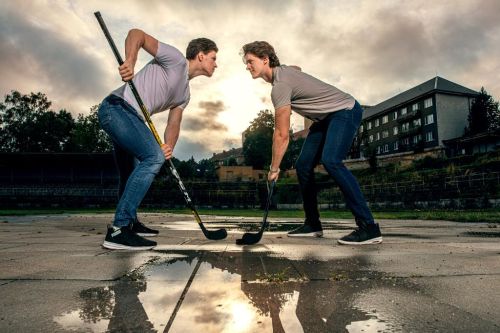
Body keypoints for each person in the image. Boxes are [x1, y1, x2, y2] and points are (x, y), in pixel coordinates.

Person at [241, 41, 382, 245]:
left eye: (250, 61)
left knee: (331, 160)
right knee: (303, 165)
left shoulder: (280, 86)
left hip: (345, 110)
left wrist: (274, 169)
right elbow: (297, 69)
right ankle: (313, 224)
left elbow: (281, 134)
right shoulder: (284, 72)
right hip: (324, 119)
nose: (247, 66)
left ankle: (369, 227)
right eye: (246, 63)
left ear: (265, 59)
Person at [98, 29, 218, 250]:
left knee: (130, 171)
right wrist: (130, 63)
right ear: (201, 55)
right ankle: (118, 229)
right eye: (213, 58)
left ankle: (130, 222)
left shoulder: (185, 93)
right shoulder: (175, 59)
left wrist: (169, 147)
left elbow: (174, 123)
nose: (215, 64)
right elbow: (136, 35)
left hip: (131, 118)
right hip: (117, 109)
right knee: (152, 157)